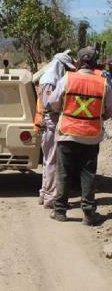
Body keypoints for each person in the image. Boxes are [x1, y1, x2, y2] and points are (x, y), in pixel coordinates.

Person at [48, 47, 112, 226]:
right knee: (88, 174)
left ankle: (60, 210)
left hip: (67, 133)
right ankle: (89, 214)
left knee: (64, 173)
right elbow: (108, 110)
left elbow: (53, 102)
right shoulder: (103, 83)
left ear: (78, 61)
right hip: (91, 136)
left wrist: (64, 110)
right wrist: (96, 117)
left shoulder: (67, 78)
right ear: (94, 63)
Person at [34, 51, 76, 209]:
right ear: (60, 65)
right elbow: (50, 104)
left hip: (47, 124)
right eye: (66, 67)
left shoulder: (48, 77)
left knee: (48, 161)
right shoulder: (51, 80)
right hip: (51, 124)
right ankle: (51, 199)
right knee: (53, 162)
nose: (67, 70)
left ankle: (44, 193)